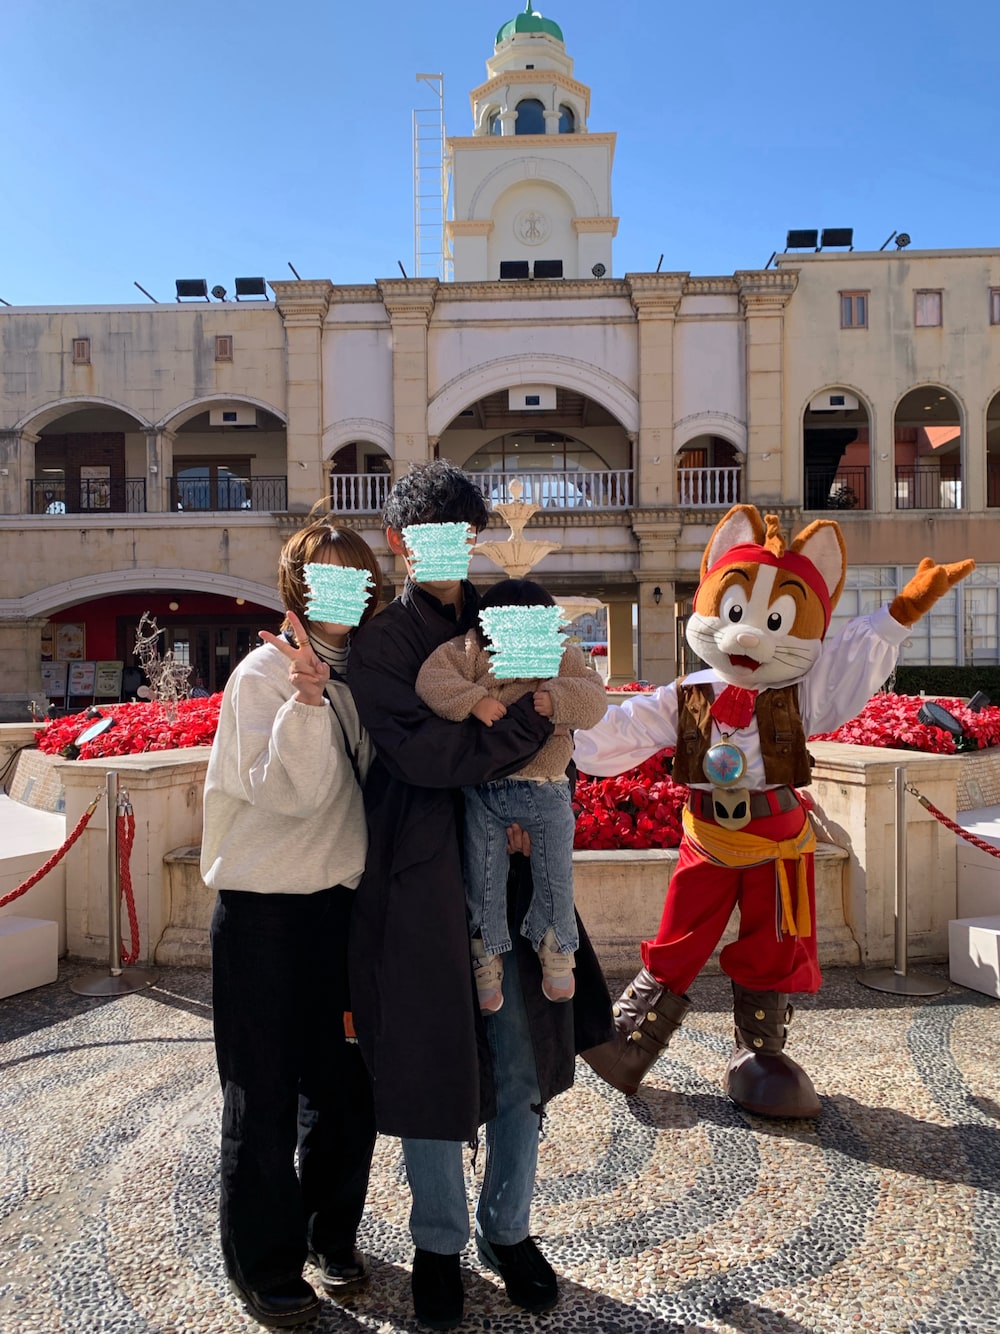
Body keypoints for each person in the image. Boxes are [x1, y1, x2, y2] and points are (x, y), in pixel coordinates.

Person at [347, 460, 613, 1331]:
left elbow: (570, 706)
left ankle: (509, 1229)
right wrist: (533, 723)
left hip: (512, 862)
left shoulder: (506, 614)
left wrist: (539, 775)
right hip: (422, 877)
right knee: (432, 1059)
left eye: (461, 536)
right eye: (430, 537)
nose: (447, 552)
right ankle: (437, 1243)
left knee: (518, 1055)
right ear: (398, 542)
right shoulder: (383, 644)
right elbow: (426, 756)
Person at [202, 515, 383, 1328]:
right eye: (325, 579)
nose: (342, 594)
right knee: (263, 1094)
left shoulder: (359, 675)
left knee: (345, 1090)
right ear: (297, 589)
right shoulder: (262, 676)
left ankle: (327, 1233)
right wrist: (306, 700)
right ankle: (263, 1263)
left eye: (355, 578)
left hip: (336, 913)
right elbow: (293, 793)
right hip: (263, 917)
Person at [415, 577, 608, 1012]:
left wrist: (556, 698)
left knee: (555, 874)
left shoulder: (561, 654)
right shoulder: (471, 649)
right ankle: (485, 953)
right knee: (483, 877)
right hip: (484, 787)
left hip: (544, 785)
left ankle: (556, 944)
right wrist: (473, 700)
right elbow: (432, 679)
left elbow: (594, 698)